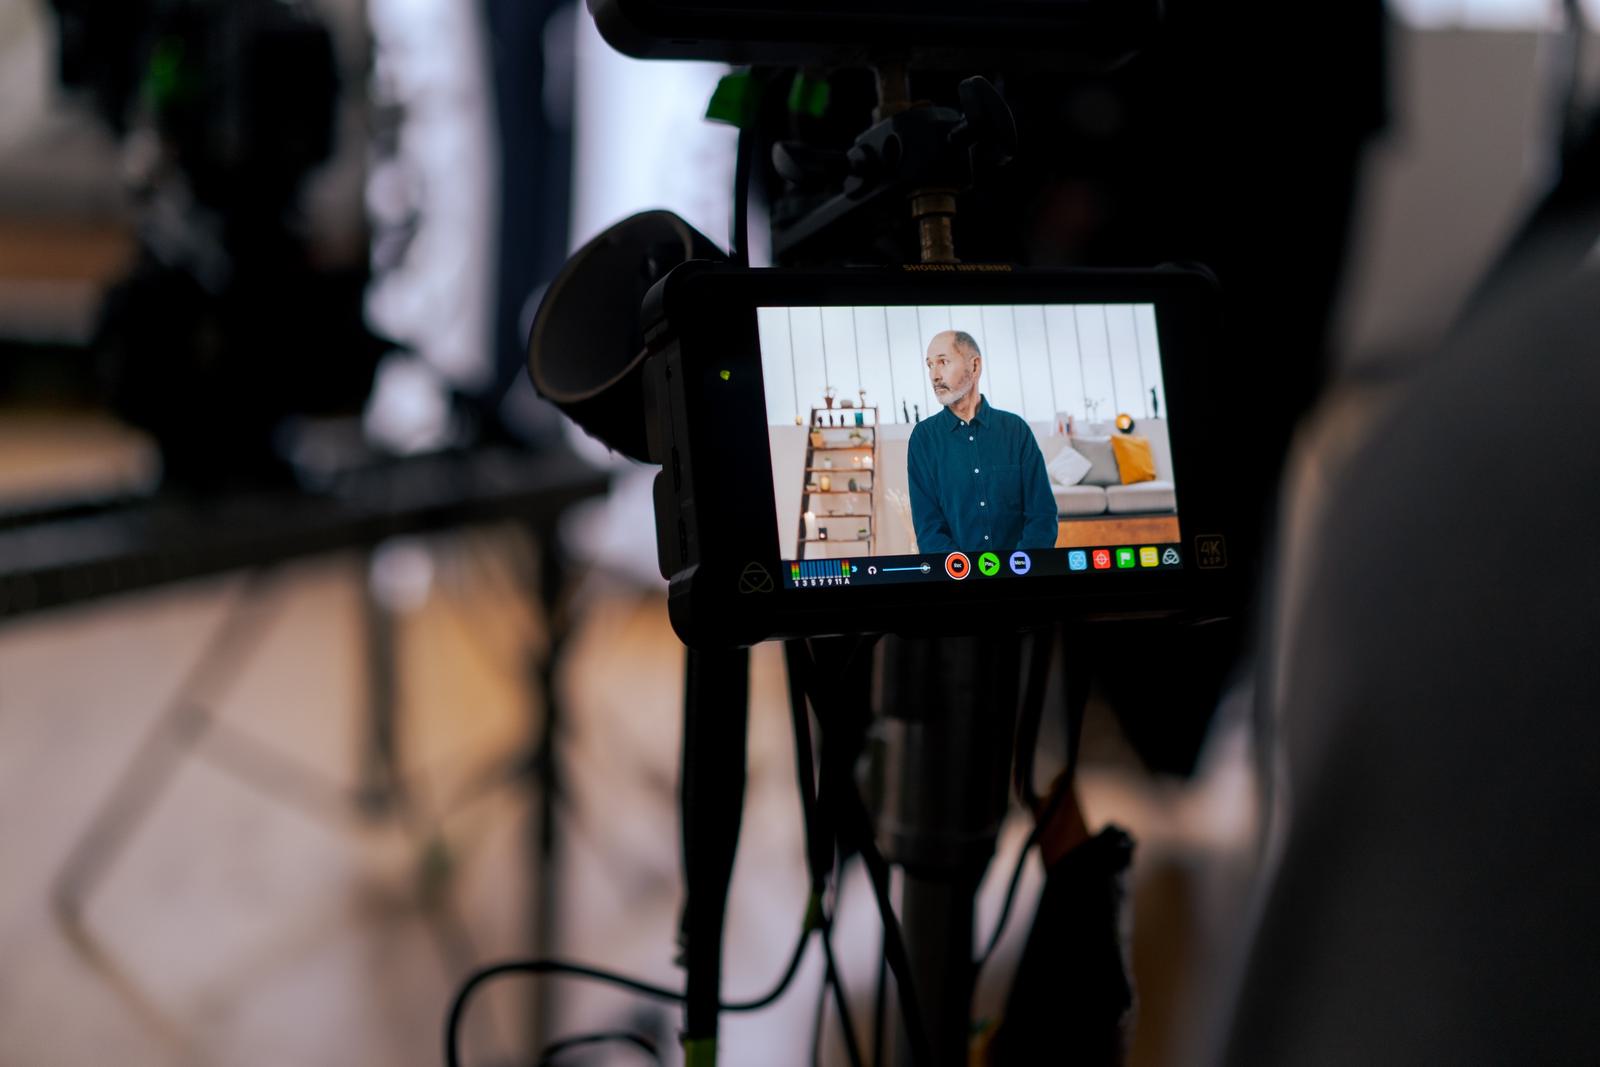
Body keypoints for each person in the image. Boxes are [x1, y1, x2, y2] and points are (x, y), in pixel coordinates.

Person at [906, 330, 1057, 554]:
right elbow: (928, 529)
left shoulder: (1016, 430)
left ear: (974, 366)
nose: (934, 375)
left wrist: (1019, 567)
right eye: (930, 365)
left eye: (943, 362)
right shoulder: (923, 438)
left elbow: (1042, 516)